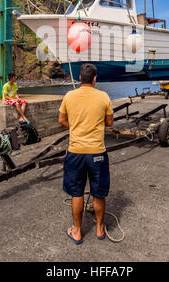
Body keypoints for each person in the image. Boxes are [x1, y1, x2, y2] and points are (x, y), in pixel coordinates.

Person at [58, 63, 113, 245]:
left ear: (79, 78)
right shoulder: (103, 96)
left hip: (75, 152)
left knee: (76, 192)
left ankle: (77, 232)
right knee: (98, 194)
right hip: (97, 152)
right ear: (95, 79)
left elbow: (61, 120)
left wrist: (75, 126)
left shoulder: (69, 96)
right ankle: (99, 229)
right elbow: (110, 122)